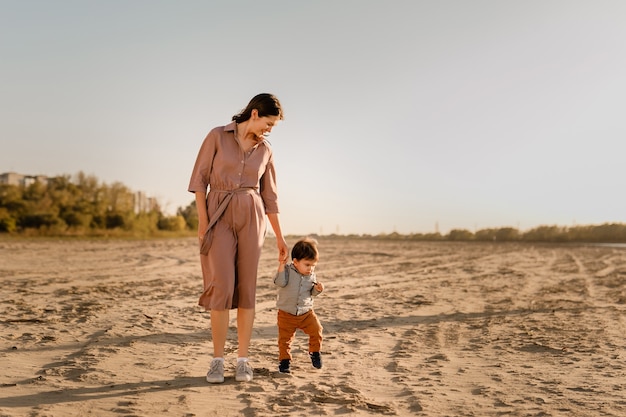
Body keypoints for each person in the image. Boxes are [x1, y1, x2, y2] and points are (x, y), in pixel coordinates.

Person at [188, 93, 289, 384]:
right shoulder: (217, 136)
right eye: (268, 123)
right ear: (255, 113)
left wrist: (280, 239)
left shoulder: (266, 150)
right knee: (221, 287)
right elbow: (199, 181)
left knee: (246, 290)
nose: (269, 130)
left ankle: (243, 360)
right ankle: (217, 360)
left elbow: (270, 197)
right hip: (218, 215)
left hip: (252, 217)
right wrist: (203, 221)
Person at [274, 237, 325, 374]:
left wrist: (318, 290)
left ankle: (315, 352)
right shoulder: (287, 271)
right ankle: (284, 361)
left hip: (306, 312)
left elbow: (311, 293)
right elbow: (279, 283)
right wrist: (281, 265)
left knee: (317, 330)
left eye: (313, 265)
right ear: (295, 262)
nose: (311, 269)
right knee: (284, 340)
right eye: (307, 265)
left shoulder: (311, 275)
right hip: (286, 313)